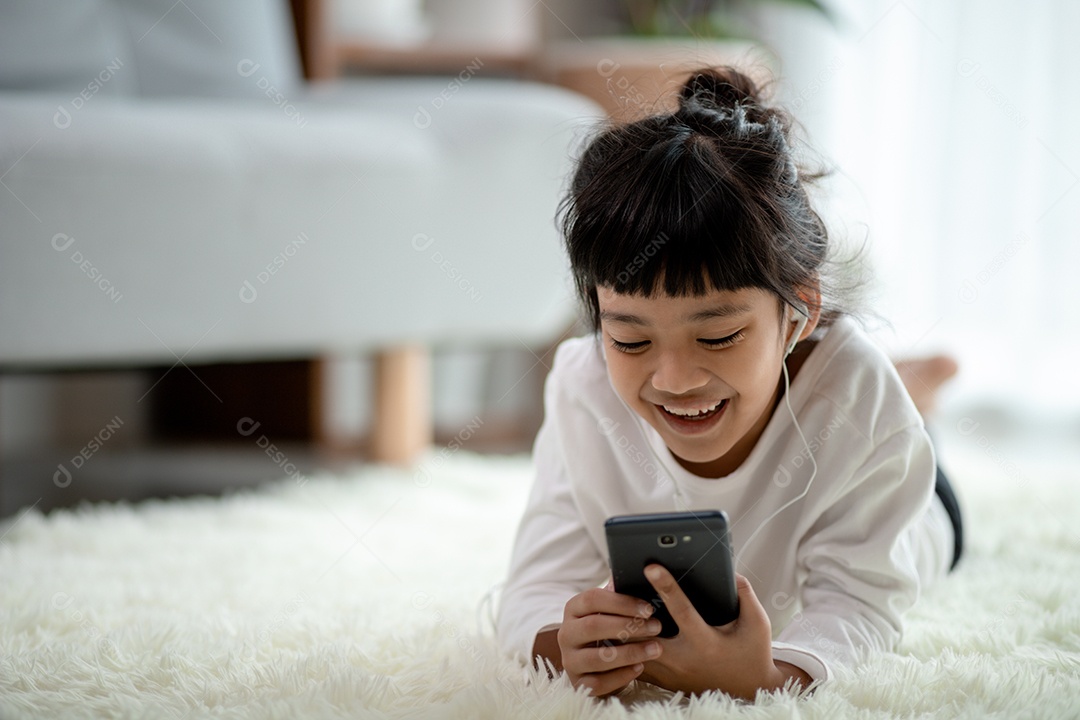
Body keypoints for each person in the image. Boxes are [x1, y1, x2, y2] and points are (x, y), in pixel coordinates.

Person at [495, 66, 963, 700]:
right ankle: (905, 392)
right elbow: (532, 587)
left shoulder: (854, 394)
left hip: (903, 491)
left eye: (717, 337)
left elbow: (861, 601)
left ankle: (913, 403)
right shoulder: (583, 386)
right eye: (630, 340)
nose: (675, 379)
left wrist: (769, 679)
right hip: (833, 398)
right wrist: (562, 645)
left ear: (799, 309)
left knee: (926, 524)